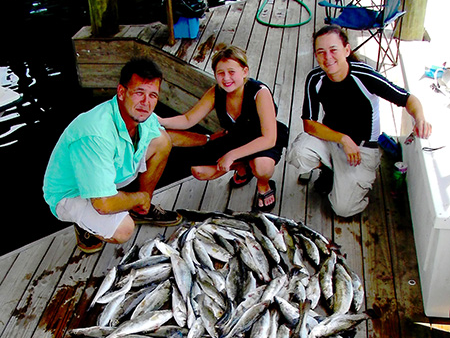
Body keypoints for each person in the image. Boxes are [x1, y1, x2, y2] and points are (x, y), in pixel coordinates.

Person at [287, 25, 432, 218]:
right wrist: (343, 139)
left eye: (333, 50)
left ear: (347, 50)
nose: (327, 57)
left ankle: (347, 181)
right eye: (321, 52)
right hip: (333, 141)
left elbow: (408, 99)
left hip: (362, 150)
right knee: (299, 152)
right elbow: (309, 124)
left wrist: (420, 118)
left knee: (343, 209)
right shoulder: (315, 78)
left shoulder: (364, 76)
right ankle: (331, 171)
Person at [43, 58, 181, 253]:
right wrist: (139, 196)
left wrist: (209, 139)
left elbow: (172, 137)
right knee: (124, 229)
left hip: (103, 174)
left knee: (162, 141)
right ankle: (84, 224)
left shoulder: (139, 114)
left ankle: (142, 209)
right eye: (139, 93)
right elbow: (103, 204)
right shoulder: (96, 133)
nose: (146, 102)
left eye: (153, 95)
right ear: (121, 92)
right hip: (71, 193)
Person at [158, 45, 289, 212]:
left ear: (245, 71)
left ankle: (264, 185)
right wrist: (161, 120)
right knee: (198, 171)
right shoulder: (216, 92)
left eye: (232, 72)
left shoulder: (260, 93)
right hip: (236, 138)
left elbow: (269, 139)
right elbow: (188, 119)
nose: (226, 78)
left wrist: (231, 155)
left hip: (261, 140)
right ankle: (242, 166)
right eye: (221, 73)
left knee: (262, 166)